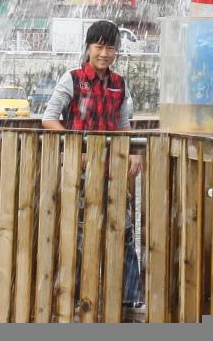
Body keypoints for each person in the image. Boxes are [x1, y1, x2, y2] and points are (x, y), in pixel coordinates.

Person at [41, 21, 142, 309]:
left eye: (111, 48)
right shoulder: (73, 79)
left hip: (112, 170)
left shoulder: (119, 84)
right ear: (88, 48)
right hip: (80, 173)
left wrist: (135, 152)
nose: (104, 53)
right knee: (78, 234)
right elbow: (49, 118)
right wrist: (76, 147)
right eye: (99, 46)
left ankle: (130, 297)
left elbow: (123, 124)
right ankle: (74, 297)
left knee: (124, 232)